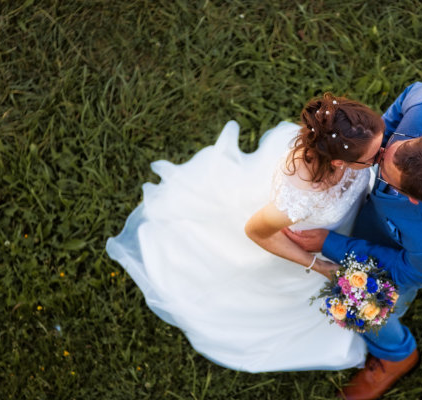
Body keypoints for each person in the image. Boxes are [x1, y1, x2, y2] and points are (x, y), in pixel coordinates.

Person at [106, 93, 385, 372]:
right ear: (338, 163)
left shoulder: (350, 139)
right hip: (301, 244)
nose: (381, 156)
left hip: (338, 227)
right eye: (372, 158)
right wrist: (319, 265)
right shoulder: (299, 198)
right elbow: (256, 231)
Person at [285, 82, 422, 399]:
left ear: (409, 198)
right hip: (394, 218)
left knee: (370, 297)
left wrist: (330, 244)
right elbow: (404, 101)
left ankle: (397, 355)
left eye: (382, 164)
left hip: (416, 248)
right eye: (393, 146)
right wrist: (367, 148)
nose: (380, 154)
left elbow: (399, 270)